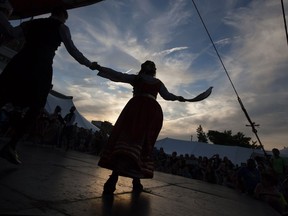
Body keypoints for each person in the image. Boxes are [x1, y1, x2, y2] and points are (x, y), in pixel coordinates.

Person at [0, 7, 98, 165]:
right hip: (41, 66)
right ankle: (11, 146)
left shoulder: (33, 23)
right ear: (62, 17)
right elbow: (73, 50)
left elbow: (11, 33)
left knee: (3, 95)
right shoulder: (61, 27)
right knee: (36, 106)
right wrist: (89, 64)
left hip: (21, 60)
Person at [94, 60, 188, 194]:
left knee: (128, 141)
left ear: (142, 69)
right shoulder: (154, 82)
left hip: (137, 111)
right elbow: (167, 96)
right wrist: (178, 97)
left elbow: (120, 76)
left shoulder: (138, 78)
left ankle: (116, 179)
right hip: (148, 113)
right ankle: (131, 181)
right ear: (153, 70)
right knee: (140, 143)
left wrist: (100, 68)